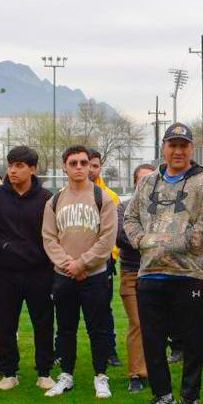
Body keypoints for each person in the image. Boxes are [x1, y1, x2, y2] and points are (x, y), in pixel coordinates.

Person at [124, 123, 203, 404]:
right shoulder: (148, 182)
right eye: (172, 145)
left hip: (187, 273)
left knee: (192, 338)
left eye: (184, 145)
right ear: (163, 148)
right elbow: (130, 218)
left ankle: (190, 397)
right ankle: (161, 394)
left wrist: (177, 242)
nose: (178, 151)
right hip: (150, 273)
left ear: (191, 149)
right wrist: (142, 241)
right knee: (152, 339)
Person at [41, 145, 118, 398]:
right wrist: (68, 265)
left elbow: (107, 239)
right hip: (64, 276)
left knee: (98, 328)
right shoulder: (54, 200)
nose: (78, 167)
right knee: (65, 328)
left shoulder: (102, 197)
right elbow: (49, 238)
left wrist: (82, 264)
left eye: (83, 163)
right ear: (64, 166)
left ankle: (100, 375)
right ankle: (66, 375)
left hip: (94, 275)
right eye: (72, 163)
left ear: (90, 166)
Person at [0, 146, 56, 391]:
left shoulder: (46, 198)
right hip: (4, 272)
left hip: (39, 271)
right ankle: (8, 372)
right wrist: (6, 247)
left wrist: (35, 255)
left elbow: (51, 235)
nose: (13, 171)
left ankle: (44, 372)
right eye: (10, 165)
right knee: (5, 323)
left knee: (43, 322)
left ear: (32, 169)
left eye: (19, 166)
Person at [115, 163, 156, 393]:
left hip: (159, 269)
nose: (146, 183)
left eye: (150, 178)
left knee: (157, 323)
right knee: (138, 322)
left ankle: (154, 369)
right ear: (135, 182)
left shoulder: (165, 206)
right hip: (132, 271)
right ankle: (136, 374)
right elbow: (121, 236)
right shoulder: (123, 207)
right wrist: (153, 240)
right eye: (141, 179)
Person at [87, 148, 124, 369]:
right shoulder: (62, 194)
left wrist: (108, 255)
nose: (89, 169)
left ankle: (109, 351)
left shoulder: (110, 196)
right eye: (85, 164)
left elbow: (115, 233)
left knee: (103, 308)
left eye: (94, 165)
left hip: (104, 262)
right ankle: (61, 352)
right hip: (72, 262)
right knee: (66, 310)